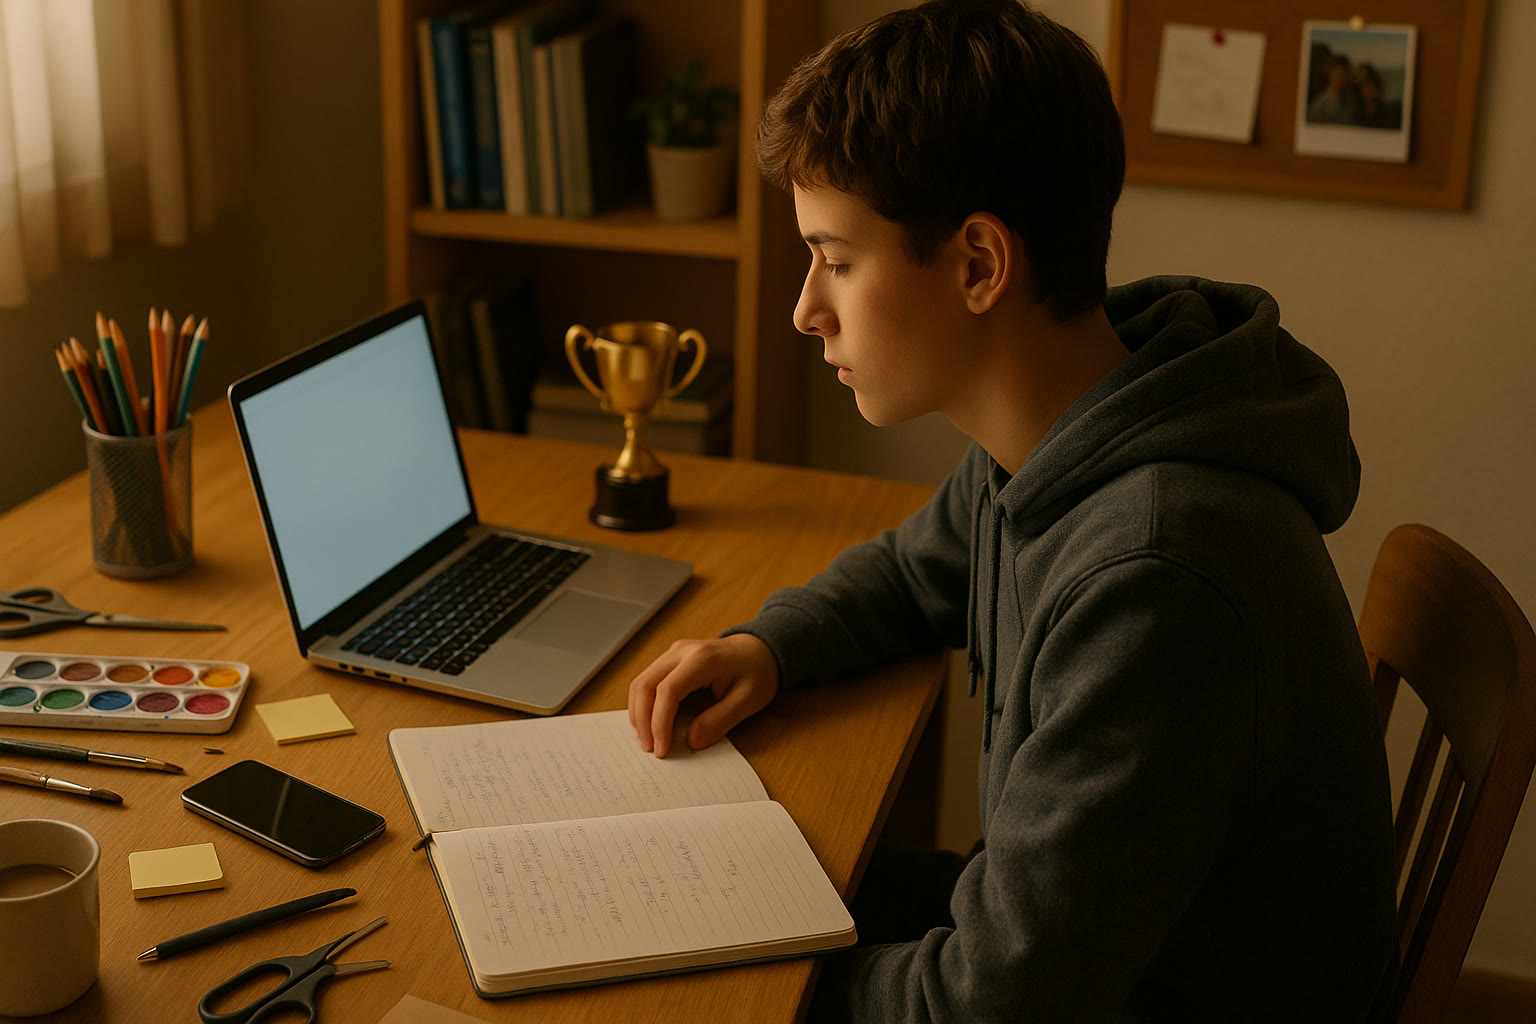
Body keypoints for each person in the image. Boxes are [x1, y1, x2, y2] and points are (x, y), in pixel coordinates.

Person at [627, 1, 1399, 1020]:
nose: (807, 309)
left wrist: (758, 986)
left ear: (980, 265)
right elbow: (912, 572)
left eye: (838, 260)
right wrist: (768, 646)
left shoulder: (1157, 576)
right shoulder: (1068, 422)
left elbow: (990, 1002)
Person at [1308, 53, 1361, 124]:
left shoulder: (1351, 101)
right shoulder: (1319, 105)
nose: (1341, 79)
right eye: (1338, 75)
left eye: (1344, 75)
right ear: (1330, 74)